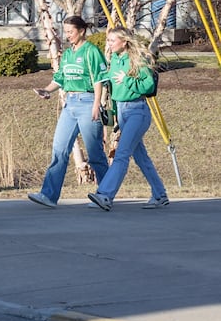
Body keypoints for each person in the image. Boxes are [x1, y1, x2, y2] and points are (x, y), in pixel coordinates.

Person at [27, 15, 111, 208]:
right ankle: (48, 195)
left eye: (71, 32)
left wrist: (97, 104)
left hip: (88, 101)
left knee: (95, 152)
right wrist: (46, 90)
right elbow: (61, 78)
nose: (68, 36)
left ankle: (105, 194)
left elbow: (98, 79)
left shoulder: (91, 51)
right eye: (65, 32)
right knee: (59, 149)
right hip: (70, 103)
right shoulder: (67, 54)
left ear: (81, 31)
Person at [87, 27, 169, 211]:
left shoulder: (137, 60)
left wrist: (127, 80)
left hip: (137, 111)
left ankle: (105, 195)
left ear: (124, 42)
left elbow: (148, 87)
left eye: (112, 40)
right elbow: (110, 83)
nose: (108, 44)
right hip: (123, 112)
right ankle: (160, 194)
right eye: (107, 40)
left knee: (121, 154)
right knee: (141, 157)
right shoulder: (115, 59)